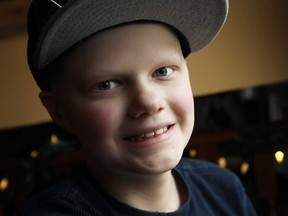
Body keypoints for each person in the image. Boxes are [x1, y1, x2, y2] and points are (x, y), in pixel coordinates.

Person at [21, 0, 257, 215]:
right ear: (60, 111)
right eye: (106, 85)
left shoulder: (224, 189)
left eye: (162, 71)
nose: (149, 103)